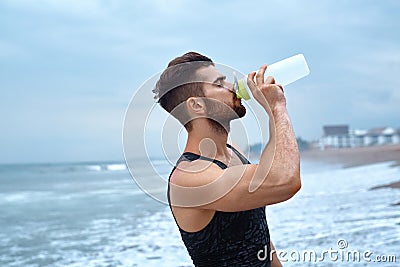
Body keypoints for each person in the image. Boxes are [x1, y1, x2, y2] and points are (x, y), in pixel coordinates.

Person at [153, 52, 301, 266]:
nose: (232, 86)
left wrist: (271, 111)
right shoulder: (190, 179)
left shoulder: (233, 152)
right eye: (220, 84)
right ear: (197, 105)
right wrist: (277, 107)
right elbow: (285, 181)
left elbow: (260, 239)